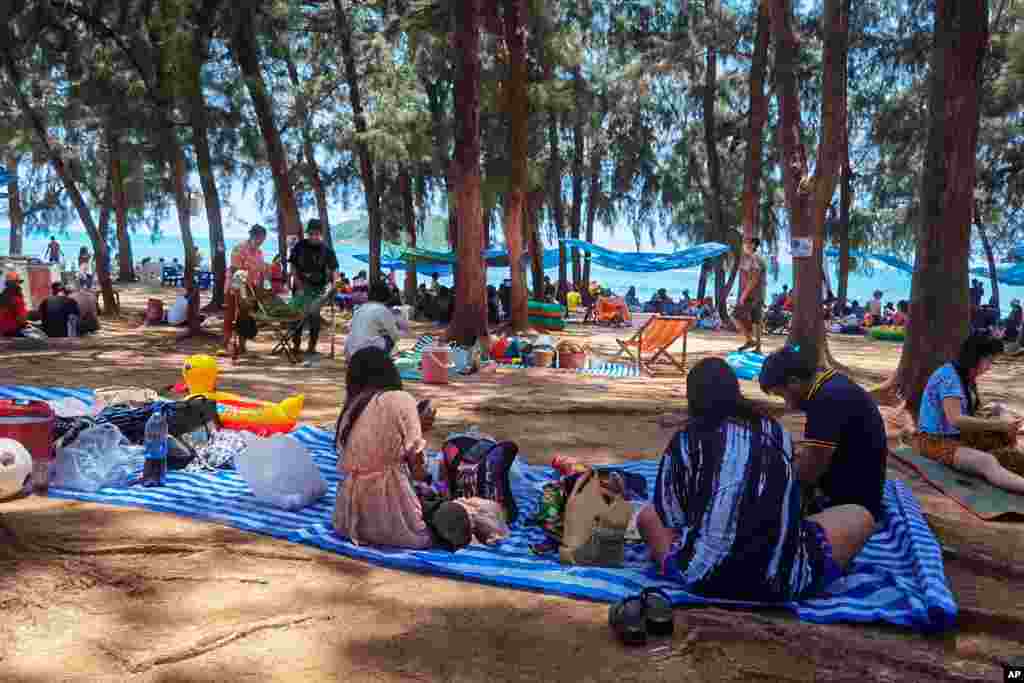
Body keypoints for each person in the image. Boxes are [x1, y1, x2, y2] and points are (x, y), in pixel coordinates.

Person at [637, 358, 874, 602]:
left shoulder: (686, 440)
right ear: (735, 391)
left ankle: (673, 566)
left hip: (704, 580)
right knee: (860, 516)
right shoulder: (775, 431)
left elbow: (673, 516)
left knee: (648, 515)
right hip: (782, 584)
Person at [333, 347, 473, 550]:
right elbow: (417, 469)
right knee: (454, 514)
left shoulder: (353, 407)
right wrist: (419, 430)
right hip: (391, 517)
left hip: (347, 519)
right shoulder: (400, 399)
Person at [759, 345, 888, 524]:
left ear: (794, 381)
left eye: (783, 396)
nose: (788, 405)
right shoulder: (832, 381)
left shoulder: (826, 400)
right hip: (862, 482)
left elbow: (810, 471)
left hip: (855, 502)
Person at [913, 334, 1024, 494]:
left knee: (1004, 439)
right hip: (934, 440)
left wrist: (998, 414)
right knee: (986, 462)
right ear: (976, 357)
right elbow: (956, 420)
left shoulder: (965, 377)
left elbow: (968, 413)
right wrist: (999, 424)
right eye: (989, 361)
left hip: (958, 436)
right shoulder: (948, 377)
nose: (989, 366)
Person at [289, 219, 339, 356]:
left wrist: (335, 284)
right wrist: (297, 282)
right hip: (300, 286)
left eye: (316, 234)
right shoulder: (299, 246)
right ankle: (296, 345)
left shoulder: (327, 250)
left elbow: (334, 270)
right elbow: (292, 266)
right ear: (308, 234)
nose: (313, 237)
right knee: (296, 316)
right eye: (311, 234)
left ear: (321, 234)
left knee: (314, 316)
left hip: (318, 289)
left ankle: (312, 346)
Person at [224, 225, 268, 354]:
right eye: (258, 238)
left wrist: (259, 290)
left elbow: (260, 273)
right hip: (235, 285)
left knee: (246, 316)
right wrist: (241, 295)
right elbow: (236, 272)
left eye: (262, 239)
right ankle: (224, 345)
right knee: (230, 315)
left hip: (250, 287)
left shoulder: (259, 253)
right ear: (252, 236)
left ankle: (242, 346)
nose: (260, 242)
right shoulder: (239, 249)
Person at [345, 282, 403, 360]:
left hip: (351, 352)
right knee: (389, 338)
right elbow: (395, 335)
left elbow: (350, 327)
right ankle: (381, 360)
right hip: (368, 353)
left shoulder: (360, 309)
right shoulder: (383, 310)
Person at [735, 237, 767, 352]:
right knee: (756, 321)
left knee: (736, 316)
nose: (744, 245)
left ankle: (750, 341)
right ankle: (757, 347)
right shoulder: (754, 258)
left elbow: (754, 278)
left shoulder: (754, 258)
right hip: (757, 294)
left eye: (746, 243)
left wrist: (743, 295)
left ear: (753, 245)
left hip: (752, 295)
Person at [0, 272, 30, 337]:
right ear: (12, 283)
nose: (19, 285)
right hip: (14, 332)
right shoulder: (16, 298)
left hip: (3, 332)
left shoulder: (2, 296)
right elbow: (22, 317)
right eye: (17, 282)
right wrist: (24, 323)